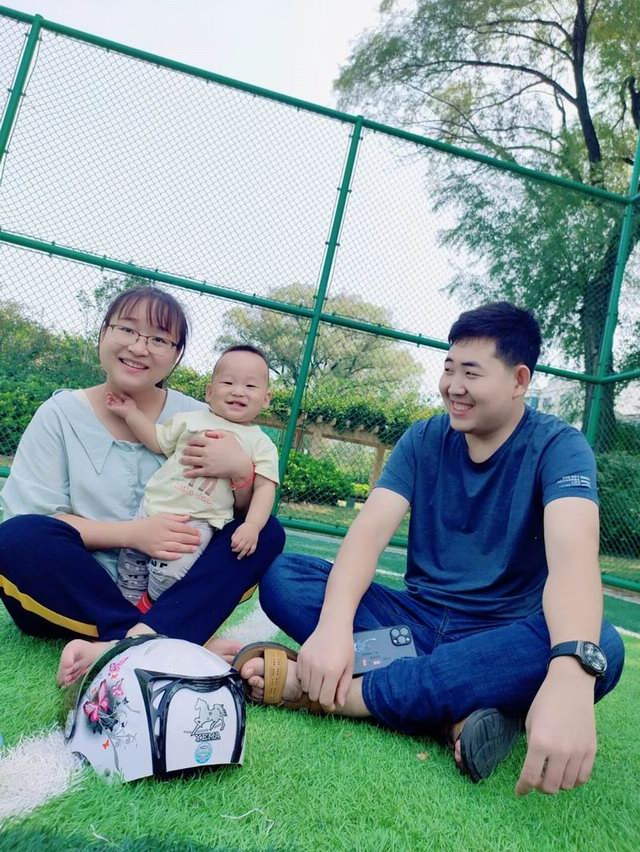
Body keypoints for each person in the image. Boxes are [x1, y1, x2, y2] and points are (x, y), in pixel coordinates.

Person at [233, 302, 625, 795]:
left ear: (519, 380)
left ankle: (342, 696)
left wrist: (569, 673)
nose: (453, 386)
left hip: (499, 637)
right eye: (448, 368)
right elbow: (367, 535)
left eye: (471, 373)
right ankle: (458, 710)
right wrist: (333, 627)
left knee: (599, 645)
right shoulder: (423, 438)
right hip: (408, 629)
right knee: (286, 577)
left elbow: (573, 560)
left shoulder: (559, 446)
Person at [0, 286, 285, 686]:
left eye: (159, 339)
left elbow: (239, 511)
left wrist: (241, 474)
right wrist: (133, 534)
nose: (139, 347)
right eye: (127, 329)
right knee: (16, 537)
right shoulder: (59, 414)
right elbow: (37, 519)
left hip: (173, 583)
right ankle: (172, 638)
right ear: (104, 332)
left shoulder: (202, 415)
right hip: (75, 590)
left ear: (176, 354)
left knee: (265, 532)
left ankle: (133, 640)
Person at [105, 344, 279, 613]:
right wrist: (131, 414)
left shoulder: (261, 444)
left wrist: (253, 526)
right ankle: (124, 612)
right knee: (130, 566)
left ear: (266, 398)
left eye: (250, 386)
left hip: (197, 521)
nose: (238, 391)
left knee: (173, 574)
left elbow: (265, 488)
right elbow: (157, 441)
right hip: (153, 508)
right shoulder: (189, 420)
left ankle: (150, 607)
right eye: (228, 382)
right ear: (209, 392)